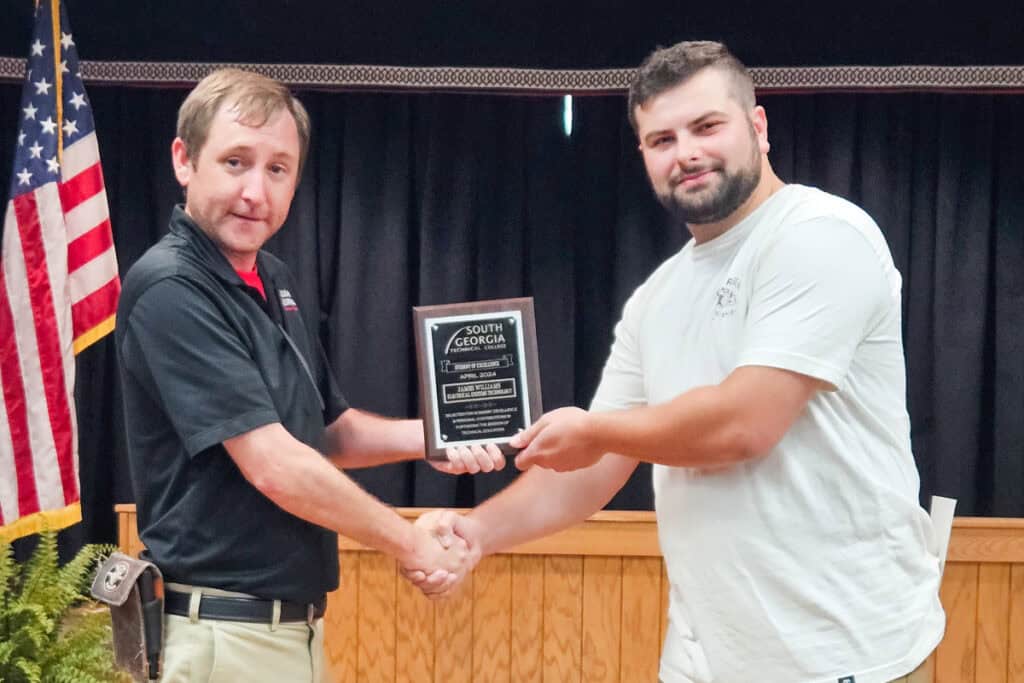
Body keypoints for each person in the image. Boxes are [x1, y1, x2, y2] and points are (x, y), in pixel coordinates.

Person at [410, 41, 945, 683]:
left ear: (758, 127)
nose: (685, 152)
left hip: (841, 654)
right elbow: (594, 469)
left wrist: (593, 430)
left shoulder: (821, 233)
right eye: (661, 139)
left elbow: (743, 424)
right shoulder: (655, 298)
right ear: (644, 156)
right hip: (701, 659)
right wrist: (477, 533)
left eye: (706, 126)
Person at [115, 68, 503, 682]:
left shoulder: (273, 278)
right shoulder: (172, 288)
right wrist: (410, 544)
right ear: (184, 161)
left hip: (289, 631)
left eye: (278, 169)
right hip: (223, 636)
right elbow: (274, 465)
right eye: (236, 162)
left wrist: (439, 435)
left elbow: (326, 433)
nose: (256, 192)